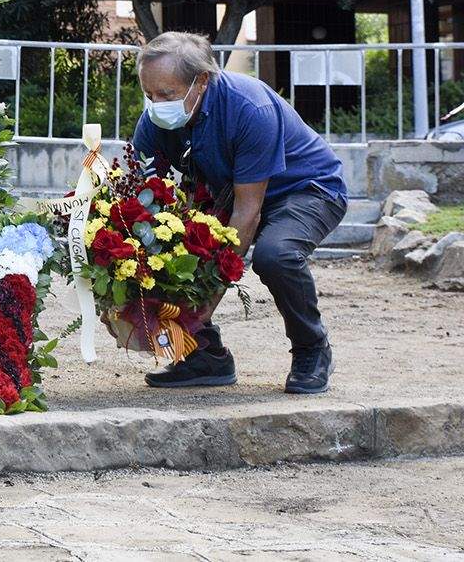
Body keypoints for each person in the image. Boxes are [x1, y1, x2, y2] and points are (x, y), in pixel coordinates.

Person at [131, 31, 346, 395]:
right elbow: (139, 193)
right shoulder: (158, 116)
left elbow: (248, 214)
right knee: (159, 241)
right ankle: (204, 355)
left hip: (305, 190)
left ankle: (312, 349)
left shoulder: (250, 108)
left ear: (201, 81)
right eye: (149, 95)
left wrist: (195, 314)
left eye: (166, 94)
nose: (156, 104)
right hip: (231, 192)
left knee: (275, 255)